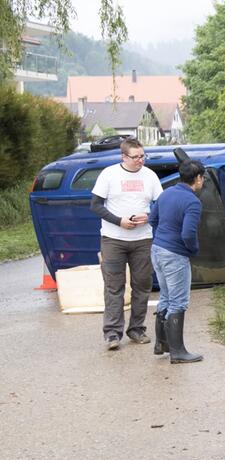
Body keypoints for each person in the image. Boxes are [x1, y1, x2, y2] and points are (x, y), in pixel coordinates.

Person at [90, 138, 163, 351]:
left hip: (142, 240)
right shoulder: (109, 174)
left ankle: (137, 329)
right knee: (114, 287)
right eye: (135, 157)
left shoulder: (150, 176)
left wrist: (148, 216)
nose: (140, 161)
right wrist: (119, 221)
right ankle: (112, 333)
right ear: (124, 157)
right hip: (113, 239)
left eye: (142, 156)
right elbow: (95, 205)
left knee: (142, 285)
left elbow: (160, 203)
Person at [148, 159, 205, 364]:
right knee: (178, 302)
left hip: (157, 250)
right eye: (202, 177)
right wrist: (193, 250)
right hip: (174, 255)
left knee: (166, 297)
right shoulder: (192, 201)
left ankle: (161, 344)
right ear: (198, 178)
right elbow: (188, 233)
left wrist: (163, 238)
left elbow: (152, 220)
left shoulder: (166, 193)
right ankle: (178, 352)